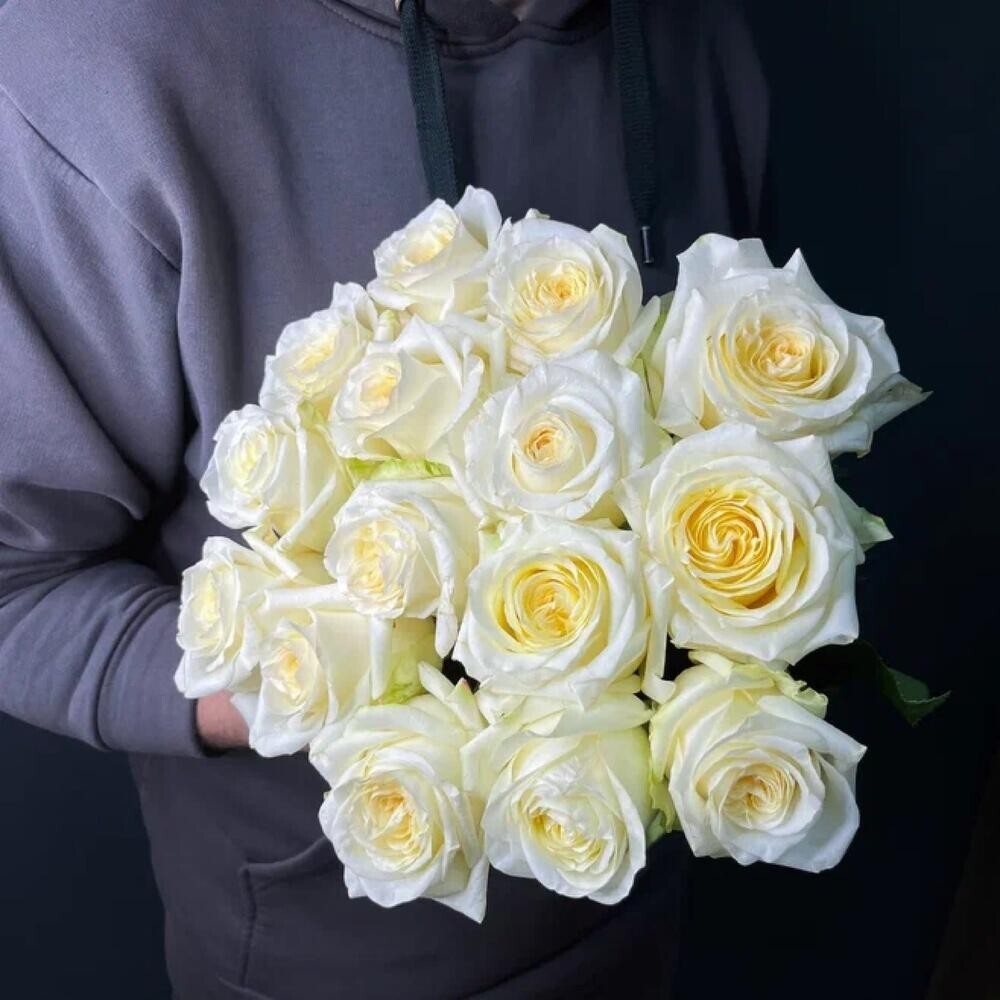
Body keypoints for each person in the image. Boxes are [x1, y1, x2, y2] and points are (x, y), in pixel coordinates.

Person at [0, 0, 768, 996]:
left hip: (645, 893)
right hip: (329, 952)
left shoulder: (700, 34)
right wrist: (328, 668)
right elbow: (14, 587)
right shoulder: (93, 66)